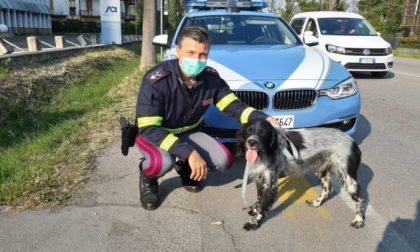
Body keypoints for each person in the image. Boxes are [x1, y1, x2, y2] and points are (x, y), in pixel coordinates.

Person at [135, 26, 282, 210]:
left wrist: (263, 118)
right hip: (155, 134)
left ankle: (187, 170)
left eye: (203, 54)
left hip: (189, 131)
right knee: (162, 162)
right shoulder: (156, 81)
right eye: (190, 52)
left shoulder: (211, 79)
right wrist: (189, 152)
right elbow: (149, 128)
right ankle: (148, 181)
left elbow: (234, 107)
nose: (197, 60)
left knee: (223, 160)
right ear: (178, 52)